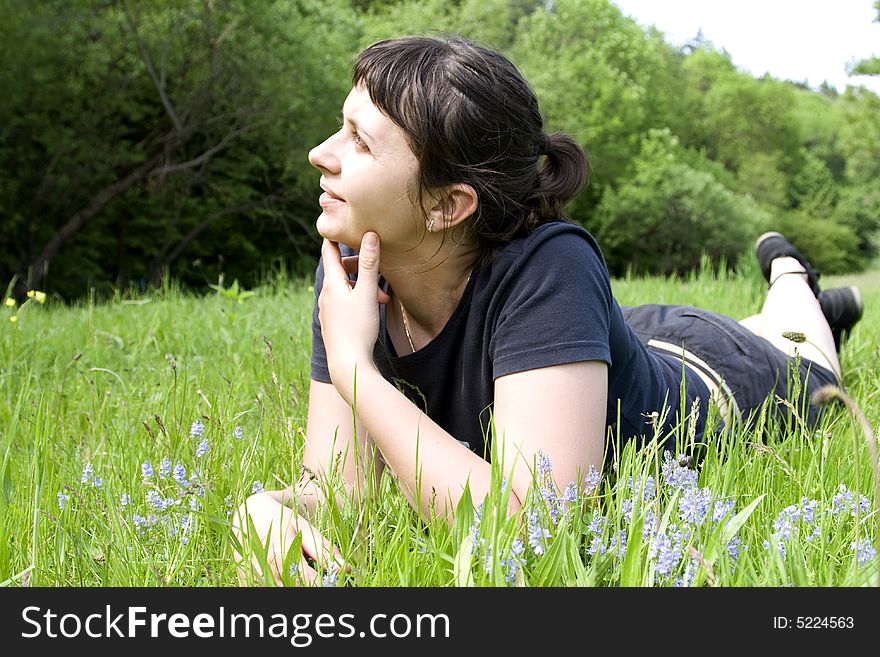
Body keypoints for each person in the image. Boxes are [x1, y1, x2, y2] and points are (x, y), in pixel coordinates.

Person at [233, 35, 864, 584]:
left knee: (804, 352)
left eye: (360, 143)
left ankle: (793, 278)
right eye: (340, 128)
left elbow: (537, 530)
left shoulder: (553, 265)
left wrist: (355, 369)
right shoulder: (352, 265)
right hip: (593, 351)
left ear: (448, 205)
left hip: (711, 372)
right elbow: (345, 489)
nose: (321, 152)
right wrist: (265, 513)